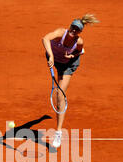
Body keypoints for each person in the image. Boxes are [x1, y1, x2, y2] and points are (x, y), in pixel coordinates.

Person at [42, 14, 99, 147]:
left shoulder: (79, 42)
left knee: (59, 94)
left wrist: (73, 54)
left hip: (68, 64)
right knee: (58, 93)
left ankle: (58, 132)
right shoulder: (60, 33)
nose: (74, 30)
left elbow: (79, 52)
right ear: (70, 27)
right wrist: (50, 55)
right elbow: (45, 38)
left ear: (80, 32)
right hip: (55, 59)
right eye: (73, 27)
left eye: (77, 30)